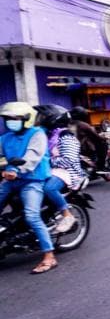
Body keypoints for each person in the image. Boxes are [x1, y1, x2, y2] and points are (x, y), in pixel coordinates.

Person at [0, 102, 57, 274]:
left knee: (32, 216)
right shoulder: (6, 137)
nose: (11, 121)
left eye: (14, 119)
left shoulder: (37, 134)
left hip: (32, 180)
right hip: (11, 181)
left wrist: (16, 169)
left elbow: (32, 156)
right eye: (7, 119)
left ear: (26, 119)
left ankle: (49, 256)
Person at [35, 105, 84, 234]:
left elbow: (69, 160)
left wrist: (48, 161)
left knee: (49, 188)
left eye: (42, 118)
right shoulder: (46, 134)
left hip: (67, 172)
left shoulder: (66, 136)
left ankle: (67, 215)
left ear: (53, 120)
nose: (38, 120)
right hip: (50, 169)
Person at [69, 106, 110, 171]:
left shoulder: (69, 124)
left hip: (71, 147)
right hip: (82, 149)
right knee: (103, 144)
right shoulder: (83, 125)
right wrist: (103, 138)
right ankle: (101, 166)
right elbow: (96, 136)